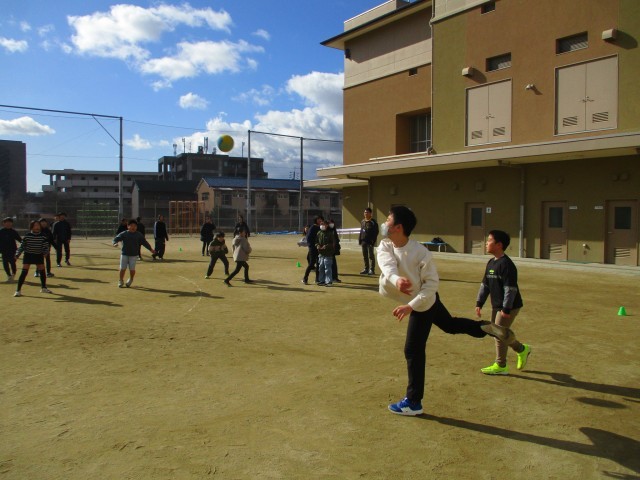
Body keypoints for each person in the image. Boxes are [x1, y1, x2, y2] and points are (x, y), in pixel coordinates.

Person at [377, 206, 517, 416]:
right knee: (450, 325)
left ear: (398, 227)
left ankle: (413, 402)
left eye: (388, 219)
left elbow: (431, 286)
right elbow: (387, 265)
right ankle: (484, 328)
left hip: (423, 303)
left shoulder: (421, 253)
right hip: (425, 301)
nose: (384, 223)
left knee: (413, 350)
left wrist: (410, 306)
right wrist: (397, 280)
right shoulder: (386, 245)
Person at [476, 230, 531, 375]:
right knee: (499, 333)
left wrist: (506, 308)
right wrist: (479, 302)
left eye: (489, 240)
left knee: (499, 333)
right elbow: (485, 285)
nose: (486, 243)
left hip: (509, 306)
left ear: (499, 245)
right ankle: (522, 349)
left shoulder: (507, 265)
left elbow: (510, 289)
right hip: (497, 305)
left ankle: (501, 365)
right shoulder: (491, 263)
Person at [14, 220, 52, 297]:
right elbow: (22, 247)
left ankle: (43, 288)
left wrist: (45, 253)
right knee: (24, 272)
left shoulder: (43, 236)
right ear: (31, 227)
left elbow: (46, 246)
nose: (37, 227)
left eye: (38, 225)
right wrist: (17, 254)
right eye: (35, 225)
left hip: (38, 255)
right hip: (28, 255)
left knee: (42, 270)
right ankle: (18, 290)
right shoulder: (27, 236)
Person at [113, 219, 155, 288]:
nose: (133, 227)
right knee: (122, 268)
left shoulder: (139, 235)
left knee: (132, 269)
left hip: (133, 255)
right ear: (128, 226)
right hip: (124, 254)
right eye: (131, 225)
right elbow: (116, 239)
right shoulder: (124, 233)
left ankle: (131, 279)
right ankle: (121, 280)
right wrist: (115, 243)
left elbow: (145, 242)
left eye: (135, 226)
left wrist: (151, 249)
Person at [301, 216, 323, 285]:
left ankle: (317, 279)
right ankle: (305, 278)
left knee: (318, 264)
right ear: (315, 220)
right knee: (311, 263)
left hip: (319, 248)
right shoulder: (313, 227)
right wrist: (313, 246)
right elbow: (309, 238)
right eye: (318, 219)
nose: (320, 220)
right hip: (313, 248)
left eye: (321, 219)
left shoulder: (321, 227)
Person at [0, 217, 21, 282]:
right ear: (4, 223)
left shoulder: (13, 232)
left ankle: (13, 274)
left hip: (12, 250)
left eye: (10, 222)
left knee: (12, 263)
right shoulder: (1, 231)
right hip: (3, 251)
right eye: (7, 222)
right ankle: (9, 275)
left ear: (12, 223)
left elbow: (20, 240)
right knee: (5, 264)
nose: (8, 224)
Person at [359, 207, 379, 275]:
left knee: (371, 256)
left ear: (370, 213)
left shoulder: (373, 222)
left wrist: (373, 241)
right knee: (365, 255)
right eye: (365, 212)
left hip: (370, 242)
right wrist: (360, 240)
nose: (366, 213)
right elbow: (361, 231)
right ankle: (366, 269)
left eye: (367, 212)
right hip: (363, 241)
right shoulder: (362, 221)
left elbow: (376, 232)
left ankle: (372, 270)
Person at [316, 219, 335, 287]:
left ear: (327, 225)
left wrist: (326, 246)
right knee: (321, 267)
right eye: (321, 224)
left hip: (328, 253)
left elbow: (332, 243)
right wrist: (317, 245)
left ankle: (329, 281)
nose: (322, 225)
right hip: (321, 253)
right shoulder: (319, 233)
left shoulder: (330, 233)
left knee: (327, 268)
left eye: (323, 224)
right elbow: (316, 241)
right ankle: (322, 281)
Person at [328, 219, 341, 283]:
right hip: (328, 250)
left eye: (332, 223)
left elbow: (336, 240)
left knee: (333, 264)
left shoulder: (334, 230)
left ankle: (334, 277)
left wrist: (337, 248)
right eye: (330, 223)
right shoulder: (327, 231)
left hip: (333, 250)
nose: (331, 224)